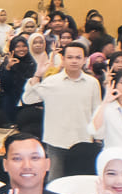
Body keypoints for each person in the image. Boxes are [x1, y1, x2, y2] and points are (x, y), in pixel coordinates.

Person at [32, 42, 101, 176]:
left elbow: (97, 111)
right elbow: (29, 98)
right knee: (55, 179)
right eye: (70, 57)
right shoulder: (51, 81)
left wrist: (98, 138)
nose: (74, 61)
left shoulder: (92, 83)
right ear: (62, 59)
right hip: (56, 139)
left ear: (85, 60)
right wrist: (37, 76)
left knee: (79, 179)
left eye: (78, 57)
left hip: (83, 139)